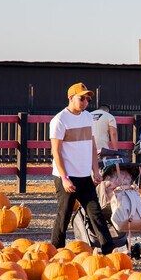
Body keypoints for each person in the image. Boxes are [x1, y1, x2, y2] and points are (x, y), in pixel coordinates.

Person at [49, 82, 115, 254]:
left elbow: (91, 145)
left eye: (88, 98)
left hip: (85, 175)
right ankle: (55, 251)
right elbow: (56, 152)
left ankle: (109, 250)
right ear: (71, 98)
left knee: (95, 213)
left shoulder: (87, 117)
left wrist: (95, 170)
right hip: (67, 176)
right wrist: (64, 178)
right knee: (64, 215)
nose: (86, 101)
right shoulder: (59, 120)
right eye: (82, 98)